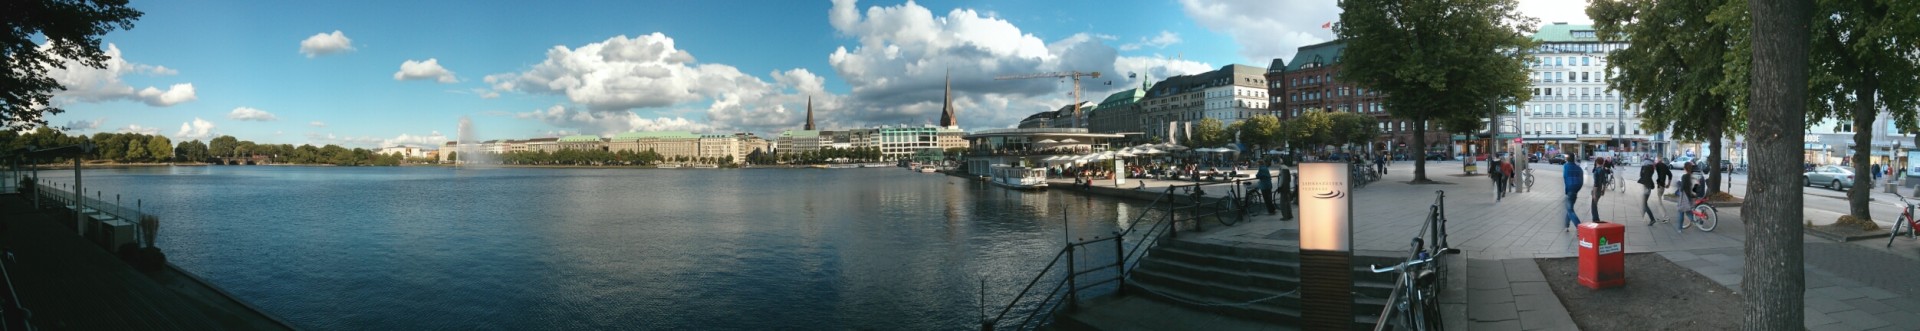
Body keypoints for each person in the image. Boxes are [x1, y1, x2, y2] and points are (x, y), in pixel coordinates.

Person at [1676, 162, 1704, 232]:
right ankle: (1695, 221)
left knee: (1681, 211)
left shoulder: (1684, 176)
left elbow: (1682, 188)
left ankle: (1679, 229)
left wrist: (1678, 184)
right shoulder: (1692, 176)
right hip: (1691, 196)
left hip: (1685, 197)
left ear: (1685, 168)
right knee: (1688, 211)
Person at [1639, 157, 1663, 225]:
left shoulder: (1645, 168)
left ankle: (1652, 219)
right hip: (1648, 187)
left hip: (1646, 187)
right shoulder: (1651, 168)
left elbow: (1641, 175)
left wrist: (1642, 168)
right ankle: (1642, 216)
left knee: (1644, 204)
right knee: (1644, 203)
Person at [1564, 158, 1585, 231]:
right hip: (1575, 191)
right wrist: (1577, 190)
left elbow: (1565, 178)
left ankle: (1579, 226)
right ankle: (1566, 225)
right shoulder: (1579, 168)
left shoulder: (1566, 166)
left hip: (1570, 190)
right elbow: (1581, 181)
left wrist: (1567, 190)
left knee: (1570, 209)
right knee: (1569, 208)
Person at [1591, 157, 1612, 221]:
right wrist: (1603, 190)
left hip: (1596, 190)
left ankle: (1596, 219)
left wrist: (1594, 194)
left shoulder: (1597, 171)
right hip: (1600, 190)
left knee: (1593, 206)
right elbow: (1604, 182)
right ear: (1603, 162)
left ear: (1596, 162)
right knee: (1595, 204)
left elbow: (1596, 184)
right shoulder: (1603, 170)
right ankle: (1596, 219)